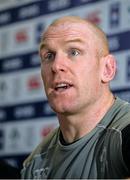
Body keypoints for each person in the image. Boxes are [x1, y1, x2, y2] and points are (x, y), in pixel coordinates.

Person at [21, 16, 130, 179]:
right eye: (49, 55)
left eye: (74, 52)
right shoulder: (35, 163)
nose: (56, 66)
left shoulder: (124, 132)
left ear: (107, 69)